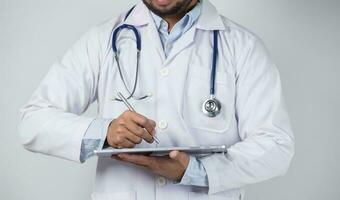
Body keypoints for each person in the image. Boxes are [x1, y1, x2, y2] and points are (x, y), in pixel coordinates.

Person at [18, 0, 295, 199]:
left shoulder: (243, 47)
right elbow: (32, 122)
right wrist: (104, 131)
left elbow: (276, 146)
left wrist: (196, 171)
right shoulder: (102, 40)